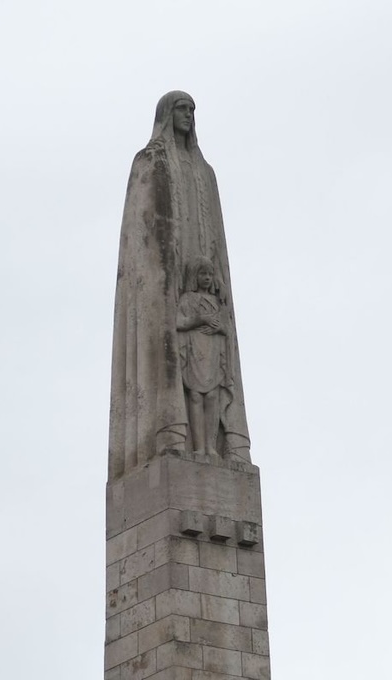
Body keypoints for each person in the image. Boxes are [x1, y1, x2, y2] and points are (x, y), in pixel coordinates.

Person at [108, 91, 251, 479]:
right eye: (180, 109)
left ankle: (221, 444)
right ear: (166, 116)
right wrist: (163, 280)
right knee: (170, 370)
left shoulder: (206, 174)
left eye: (191, 110)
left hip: (203, 293)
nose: (187, 115)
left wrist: (215, 279)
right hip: (164, 287)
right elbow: (143, 237)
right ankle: (170, 432)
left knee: (211, 382)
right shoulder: (150, 161)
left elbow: (217, 239)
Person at [177, 258, 228, 456]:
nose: (206, 278)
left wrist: (219, 327)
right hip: (194, 348)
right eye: (202, 274)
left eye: (209, 274)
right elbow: (179, 322)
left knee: (213, 396)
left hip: (213, 349)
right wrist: (200, 319)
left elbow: (226, 329)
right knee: (196, 397)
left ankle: (211, 447)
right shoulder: (188, 298)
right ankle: (198, 447)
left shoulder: (217, 301)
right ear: (195, 276)